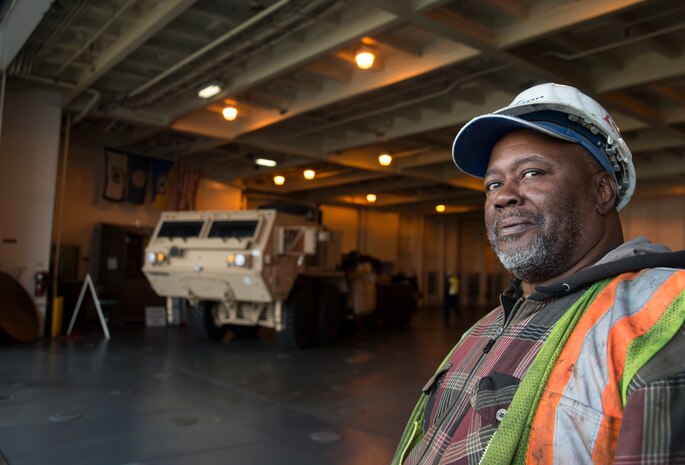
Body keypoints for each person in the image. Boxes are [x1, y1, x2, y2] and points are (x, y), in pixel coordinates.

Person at [392, 83, 685, 465]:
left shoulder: (661, 323)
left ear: (602, 192)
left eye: (531, 173)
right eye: (493, 184)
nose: (502, 196)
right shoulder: (489, 324)